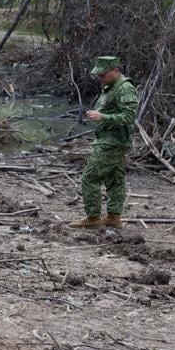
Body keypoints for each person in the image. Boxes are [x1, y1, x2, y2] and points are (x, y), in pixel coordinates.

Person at [68, 56, 139, 229]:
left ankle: (93, 218)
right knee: (114, 179)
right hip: (109, 139)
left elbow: (129, 116)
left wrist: (103, 116)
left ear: (115, 70)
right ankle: (113, 217)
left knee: (89, 177)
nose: (100, 78)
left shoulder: (125, 89)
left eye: (103, 75)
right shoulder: (111, 86)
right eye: (98, 75)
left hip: (112, 142)